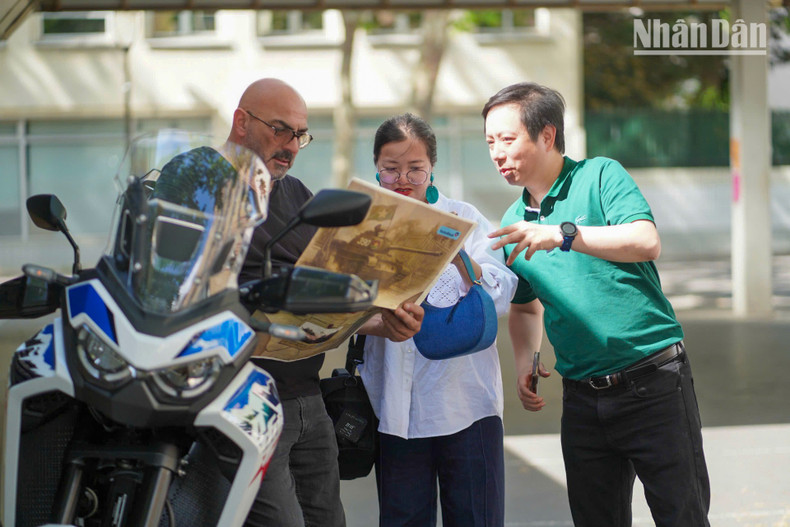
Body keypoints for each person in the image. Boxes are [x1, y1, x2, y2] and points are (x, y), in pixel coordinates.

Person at [483, 82, 710, 526]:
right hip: (582, 401)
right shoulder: (513, 222)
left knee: (681, 516)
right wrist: (527, 360)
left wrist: (564, 234)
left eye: (507, 139)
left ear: (547, 135)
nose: (497, 153)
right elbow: (526, 306)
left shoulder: (600, 175)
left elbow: (646, 240)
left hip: (653, 383)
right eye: (490, 142)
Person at [229, 79, 424, 527]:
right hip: (242, 394)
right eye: (280, 129)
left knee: (329, 520)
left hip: (307, 395)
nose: (290, 145)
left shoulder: (296, 194)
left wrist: (382, 321)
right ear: (241, 122)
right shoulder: (205, 188)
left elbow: (325, 296)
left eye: (300, 134)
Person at [358, 113, 518, 527]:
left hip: (467, 405)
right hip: (394, 409)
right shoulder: (362, 228)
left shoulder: (463, 218)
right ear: (376, 168)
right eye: (391, 169)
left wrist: (454, 254)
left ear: (432, 168)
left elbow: (503, 290)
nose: (403, 179)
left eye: (415, 169)